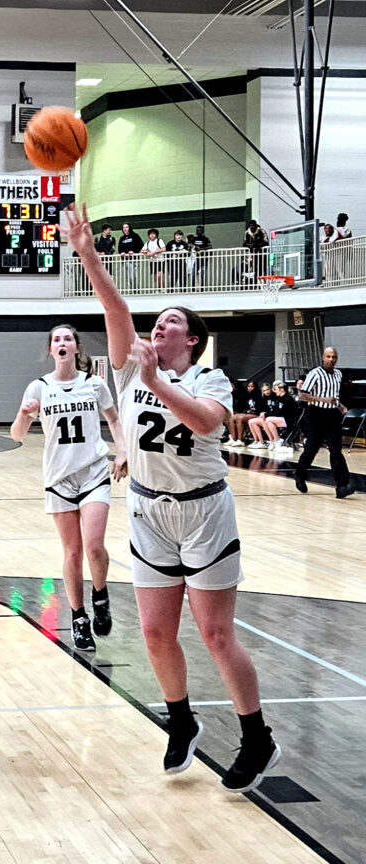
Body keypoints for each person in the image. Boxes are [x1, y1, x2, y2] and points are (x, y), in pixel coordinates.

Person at [62, 202, 280, 793]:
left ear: (194, 339)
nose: (160, 326)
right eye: (156, 321)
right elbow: (116, 307)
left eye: (173, 321)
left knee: (214, 633)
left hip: (205, 510)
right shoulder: (132, 369)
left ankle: (256, 735)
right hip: (148, 508)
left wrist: (159, 381)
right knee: (156, 633)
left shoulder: (208, 380)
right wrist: (87, 254)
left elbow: (208, 424)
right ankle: (181, 722)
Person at [10, 324, 128, 651]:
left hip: (92, 471)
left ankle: (100, 595)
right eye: (57, 340)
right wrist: (23, 414)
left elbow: (115, 420)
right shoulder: (39, 387)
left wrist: (123, 450)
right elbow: (17, 435)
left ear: (76, 347)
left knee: (93, 546)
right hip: (59, 478)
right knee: (72, 552)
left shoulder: (94, 383)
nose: (62, 343)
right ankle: (79, 618)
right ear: (51, 350)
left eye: (68, 339)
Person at [294, 347, 352, 498]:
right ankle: (299, 473)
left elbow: (334, 396)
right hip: (315, 414)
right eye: (328, 356)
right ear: (323, 357)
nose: (331, 359)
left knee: (336, 449)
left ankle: (342, 485)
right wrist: (322, 399)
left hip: (332, 414)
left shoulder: (338, 374)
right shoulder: (315, 374)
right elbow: (303, 396)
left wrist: (340, 406)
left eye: (333, 357)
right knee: (311, 449)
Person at [248, 381, 298, 453]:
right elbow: (274, 411)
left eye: (276, 389)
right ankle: (260, 441)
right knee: (252, 421)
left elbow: (283, 412)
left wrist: (267, 415)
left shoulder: (288, 398)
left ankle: (276, 440)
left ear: (282, 389)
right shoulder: (279, 398)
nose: (275, 391)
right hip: (281, 418)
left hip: (289, 419)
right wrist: (265, 414)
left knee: (269, 419)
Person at [225, 380, 264, 447]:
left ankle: (240, 440)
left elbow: (260, 408)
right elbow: (246, 407)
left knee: (240, 418)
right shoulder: (248, 395)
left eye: (252, 386)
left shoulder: (258, 394)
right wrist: (247, 411)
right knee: (231, 417)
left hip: (257, 414)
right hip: (249, 413)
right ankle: (234, 439)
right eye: (249, 386)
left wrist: (252, 411)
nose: (250, 388)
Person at [117, 223, 142, 291]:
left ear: (129, 228)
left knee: (133, 276)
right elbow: (119, 248)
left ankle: (135, 290)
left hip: (133, 260)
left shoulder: (135, 236)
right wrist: (121, 253)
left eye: (126, 227)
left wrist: (134, 251)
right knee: (127, 276)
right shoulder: (122, 238)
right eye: (123, 227)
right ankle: (131, 290)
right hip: (125, 260)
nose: (125, 229)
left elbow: (140, 245)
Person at [189, 226, 212, 290]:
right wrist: (190, 246)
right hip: (197, 259)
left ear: (202, 231)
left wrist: (201, 249)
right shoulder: (194, 238)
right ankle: (193, 289)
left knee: (202, 273)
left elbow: (210, 246)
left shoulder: (205, 239)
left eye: (200, 230)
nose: (198, 232)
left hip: (204, 258)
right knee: (193, 273)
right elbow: (190, 245)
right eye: (197, 230)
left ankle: (202, 288)